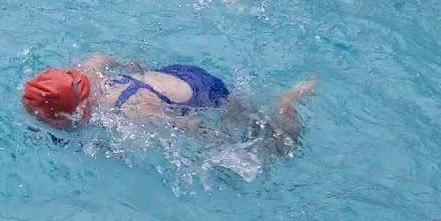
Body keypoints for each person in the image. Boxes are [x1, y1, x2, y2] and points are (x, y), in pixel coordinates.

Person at [21, 55, 320, 157]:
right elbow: (102, 57)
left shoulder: (133, 111)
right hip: (174, 74)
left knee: (268, 140)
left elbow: (188, 125)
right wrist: (134, 66)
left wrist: (222, 143)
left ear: (69, 114)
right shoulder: (85, 73)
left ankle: (287, 102)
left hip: (201, 93)